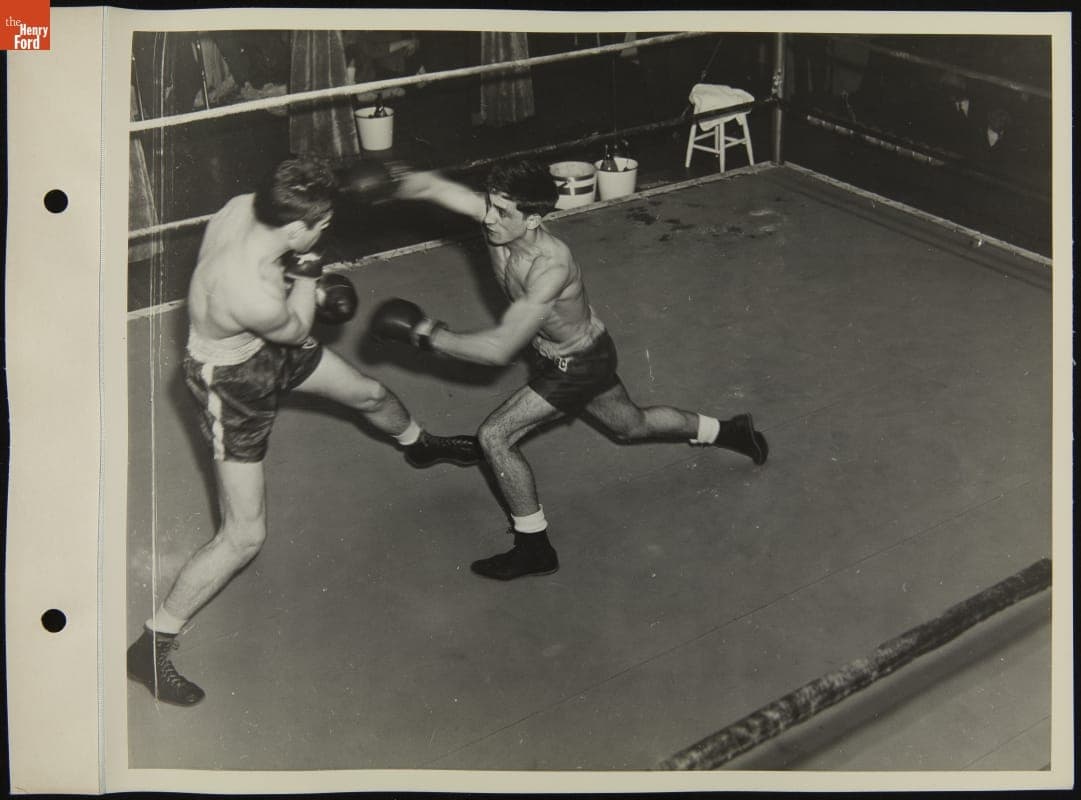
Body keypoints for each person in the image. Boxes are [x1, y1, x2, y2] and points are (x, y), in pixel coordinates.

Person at [127, 157, 481, 706]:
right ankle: (152, 644)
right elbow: (292, 328)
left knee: (369, 394)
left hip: (265, 342)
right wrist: (312, 275)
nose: (324, 231)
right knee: (244, 535)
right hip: (232, 383)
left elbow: (284, 297)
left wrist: (298, 275)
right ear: (297, 228)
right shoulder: (246, 290)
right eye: (320, 226)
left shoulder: (241, 207)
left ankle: (418, 445)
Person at [370, 160, 768, 582]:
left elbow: (501, 347)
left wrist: (426, 333)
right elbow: (434, 185)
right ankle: (731, 432)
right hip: (566, 355)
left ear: (534, 219)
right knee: (630, 426)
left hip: (578, 363)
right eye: (490, 205)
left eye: (504, 213)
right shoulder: (499, 218)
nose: (489, 217)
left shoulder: (550, 267)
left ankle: (534, 547)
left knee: (495, 437)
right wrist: (394, 182)